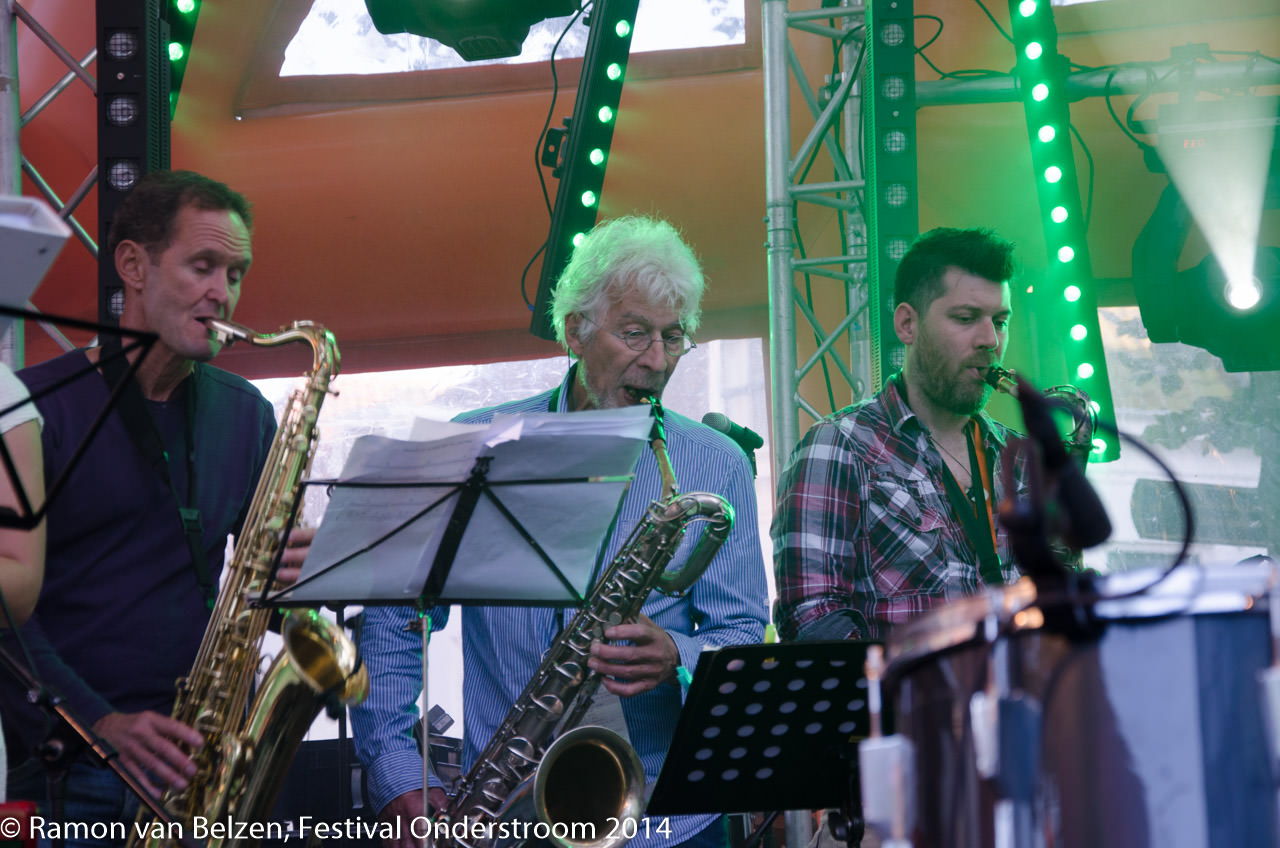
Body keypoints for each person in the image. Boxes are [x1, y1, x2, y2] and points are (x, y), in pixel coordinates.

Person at [352, 215, 769, 848]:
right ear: (576, 330)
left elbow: (740, 633)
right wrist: (398, 770)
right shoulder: (478, 443)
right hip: (506, 812)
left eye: (673, 337)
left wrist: (677, 656)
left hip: (669, 821)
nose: (658, 361)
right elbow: (394, 615)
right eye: (635, 333)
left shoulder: (717, 462)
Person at [0, 170, 308, 844]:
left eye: (235, 273)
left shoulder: (248, 415)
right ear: (133, 266)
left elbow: (272, 595)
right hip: (70, 774)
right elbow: (5, 616)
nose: (222, 291)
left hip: (202, 764)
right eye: (203, 266)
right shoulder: (33, 408)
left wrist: (304, 583)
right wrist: (98, 725)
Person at [772, 226, 1031, 642]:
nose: (990, 340)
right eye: (966, 319)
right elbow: (812, 618)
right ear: (907, 324)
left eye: (1000, 321)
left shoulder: (1022, 457)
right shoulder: (838, 446)